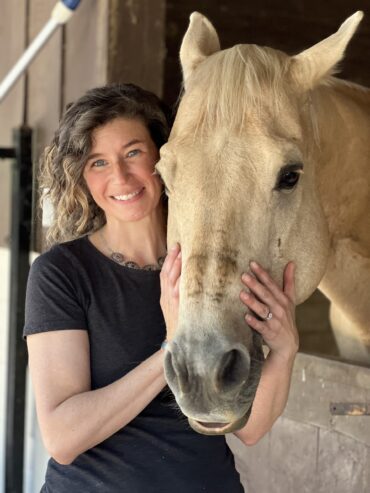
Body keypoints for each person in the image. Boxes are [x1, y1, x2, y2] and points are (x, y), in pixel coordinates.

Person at [24, 83, 299, 493]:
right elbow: (63, 438)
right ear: (81, 177)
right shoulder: (62, 273)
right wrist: (172, 346)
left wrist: (284, 349)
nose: (120, 176)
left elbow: (250, 430)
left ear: (163, 157)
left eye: (133, 153)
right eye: (98, 162)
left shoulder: (212, 264)